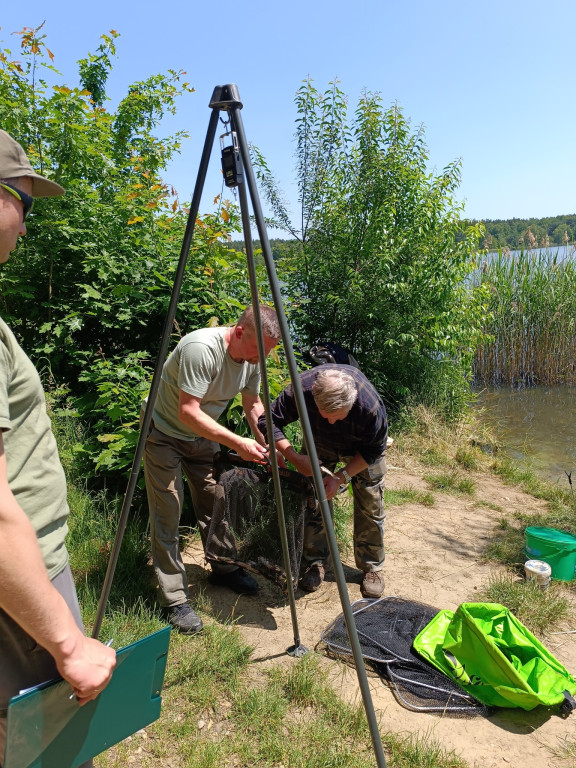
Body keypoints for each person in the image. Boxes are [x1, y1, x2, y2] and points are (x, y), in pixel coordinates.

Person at [0, 130, 117, 762]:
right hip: (22, 583)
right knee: (43, 748)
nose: (27, 224)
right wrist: (68, 644)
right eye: (25, 201)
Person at [143, 305, 280, 634]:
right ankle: (174, 598)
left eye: (268, 353)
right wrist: (238, 443)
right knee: (169, 510)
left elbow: (253, 404)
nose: (261, 359)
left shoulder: (252, 358)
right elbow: (188, 411)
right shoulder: (201, 349)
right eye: (259, 350)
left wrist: (267, 443)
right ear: (238, 332)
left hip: (203, 437)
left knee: (216, 497)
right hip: (164, 433)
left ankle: (223, 567)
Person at [258, 364, 388, 598]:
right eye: (323, 414)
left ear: (351, 404)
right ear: (313, 398)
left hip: (361, 450)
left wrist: (341, 477)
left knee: (370, 501)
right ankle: (315, 562)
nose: (330, 422)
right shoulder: (301, 390)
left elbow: (374, 451)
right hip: (318, 446)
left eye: (336, 417)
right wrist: (294, 457)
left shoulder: (370, 408)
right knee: (313, 498)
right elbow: (268, 420)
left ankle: (371, 568)